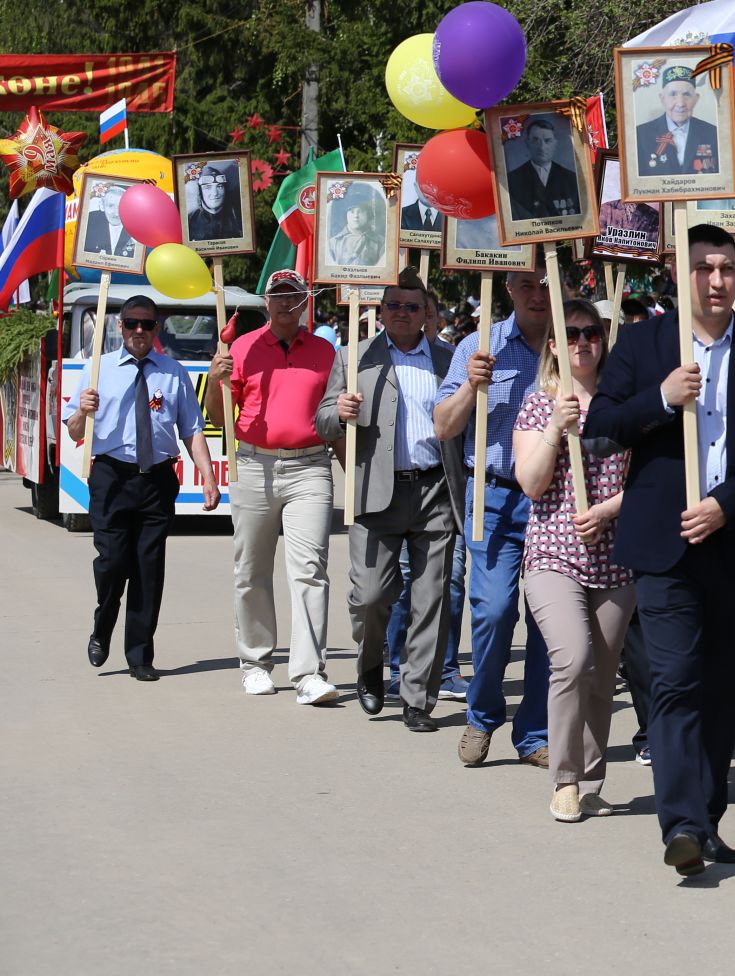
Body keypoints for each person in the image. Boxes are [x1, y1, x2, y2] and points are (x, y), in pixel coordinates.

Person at [584, 223, 735, 877]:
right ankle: (680, 824)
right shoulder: (643, 343)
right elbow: (600, 428)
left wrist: (727, 505)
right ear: (680, 273)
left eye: (728, 268)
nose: (717, 280)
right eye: (705, 267)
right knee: (676, 684)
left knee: (724, 692)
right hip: (665, 547)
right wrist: (659, 400)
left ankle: (706, 819)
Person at [314, 271, 460, 733]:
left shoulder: (447, 358)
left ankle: (418, 697)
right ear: (381, 311)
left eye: (412, 307)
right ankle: (370, 664)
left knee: (431, 597)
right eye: (394, 305)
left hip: (435, 490)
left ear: (425, 314)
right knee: (372, 595)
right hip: (376, 493)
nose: (402, 313)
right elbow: (321, 420)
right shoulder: (355, 357)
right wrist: (338, 414)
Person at [514, 300, 631, 823]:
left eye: (593, 333)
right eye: (574, 334)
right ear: (556, 344)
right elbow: (532, 483)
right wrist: (556, 429)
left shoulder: (622, 404)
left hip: (613, 557)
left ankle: (590, 776)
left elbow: (648, 482)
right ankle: (563, 777)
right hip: (553, 553)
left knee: (603, 676)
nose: (583, 342)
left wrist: (608, 510)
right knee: (572, 658)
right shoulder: (539, 405)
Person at [434, 271, 555, 769]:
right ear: (507, 288)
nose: (536, 293)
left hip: (555, 498)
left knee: (551, 619)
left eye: (546, 283)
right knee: (494, 611)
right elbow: (443, 424)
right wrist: (471, 385)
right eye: (526, 283)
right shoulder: (475, 346)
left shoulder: (573, 343)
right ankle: (482, 715)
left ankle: (536, 733)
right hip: (494, 495)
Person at [66, 295, 220, 681]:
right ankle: (103, 624)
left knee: (149, 569)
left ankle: (140, 655)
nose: (138, 331)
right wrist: (83, 411)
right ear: (119, 326)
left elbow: (192, 429)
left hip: (156, 478)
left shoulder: (172, 372)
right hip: (111, 476)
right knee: (113, 562)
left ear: (157, 328)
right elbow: (73, 432)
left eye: (146, 325)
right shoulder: (98, 370)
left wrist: (208, 476)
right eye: (132, 323)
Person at [206, 270, 341, 704]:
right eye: (278, 296)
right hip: (254, 463)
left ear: (305, 302)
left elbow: (332, 417)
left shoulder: (326, 351)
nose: (286, 303)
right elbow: (218, 416)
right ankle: (255, 663)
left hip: (310, 468)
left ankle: (308, 674)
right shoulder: (241, 348)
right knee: (251, 570)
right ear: (266, 302)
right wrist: (215, 379)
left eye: (294, 296)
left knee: (310, 571)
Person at [633, 66, 720, 176]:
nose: (680, 103)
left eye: (686, 94)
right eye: (673, 94)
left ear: (696, 99)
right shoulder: (641, 135)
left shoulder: (712, 133)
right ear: (662, 98)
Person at [505, 116, 582, 221]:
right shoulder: (511, 180)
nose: (542, 147)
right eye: (535, 140)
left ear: (555, 144)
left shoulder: (572, 179)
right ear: (527, 143)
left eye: (547, 141)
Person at [327, 190, 386, 268]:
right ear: (346, 215)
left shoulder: (381, 242)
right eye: (352, 212)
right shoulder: (333, 243)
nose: (356, 216)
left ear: (367, 215)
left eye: (360, 211)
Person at [186, 161, 242, 242]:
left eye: (219, 186)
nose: (215, 193)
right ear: (200, 191)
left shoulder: (237, 219)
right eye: (208, 187)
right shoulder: (190, 220)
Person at [82, 183, 138, 259]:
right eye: (111, 206)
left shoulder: (138, 225)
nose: (116, 213)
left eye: (121, 206)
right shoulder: (90, 221)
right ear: (102, 205)